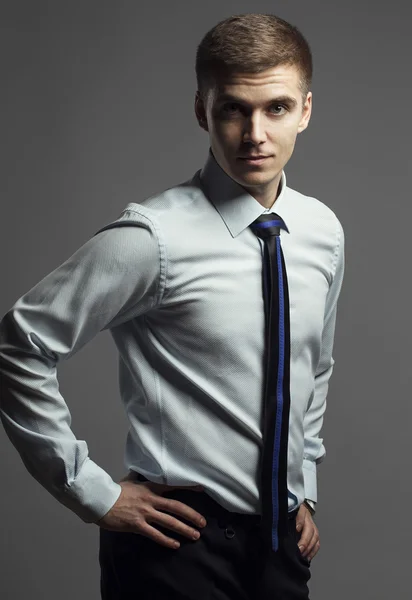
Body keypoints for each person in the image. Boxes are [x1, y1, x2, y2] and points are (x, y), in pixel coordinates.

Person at [0, 12, 345, 600]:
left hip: (280, 547)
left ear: (306, 111)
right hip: (177, 545)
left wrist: (302, 487)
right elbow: (19, 343)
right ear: (201, 111)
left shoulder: (322, 230)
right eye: (234, 108)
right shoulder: (152, 240)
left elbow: (314, 368)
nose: (255, 133)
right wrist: (93, 492)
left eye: (277, 108)